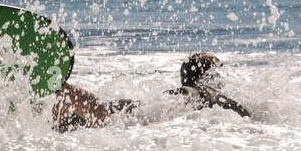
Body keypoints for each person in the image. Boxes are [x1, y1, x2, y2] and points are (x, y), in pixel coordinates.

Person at [52, 51, 249, 130]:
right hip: (150, 114)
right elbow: (242, 113)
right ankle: (61, 90)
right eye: (219, 74)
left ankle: (56, 99)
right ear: (210, 76)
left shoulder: (175, 94)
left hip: (139, 106)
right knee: (105, 119)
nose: (223, 80)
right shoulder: (208, 95)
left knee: (83, 120)